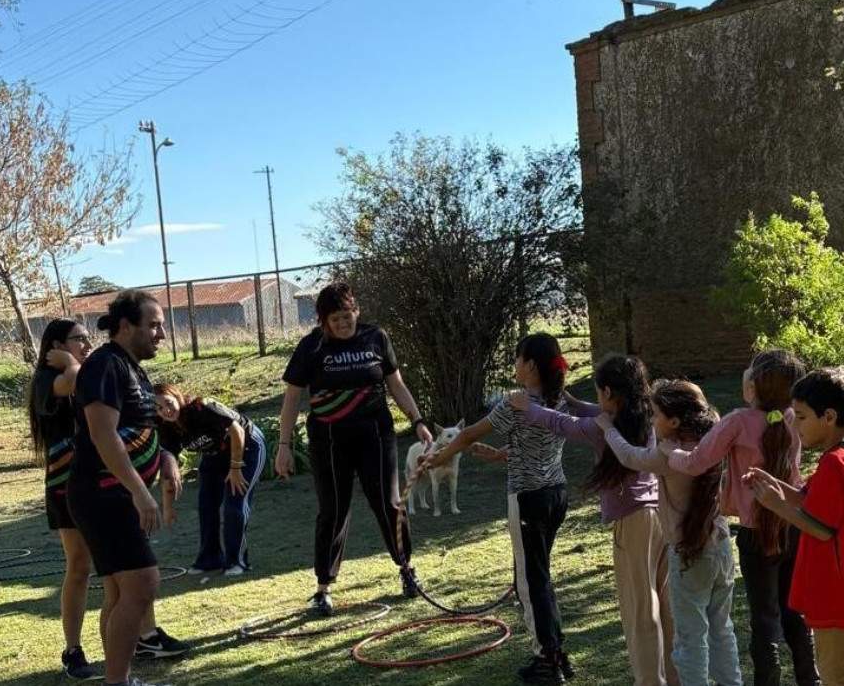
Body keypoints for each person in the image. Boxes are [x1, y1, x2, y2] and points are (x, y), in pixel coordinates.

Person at [29, 319, 185, 680]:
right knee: (80, 567)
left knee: (118, 581)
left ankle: (120, 662)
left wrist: (162, 457)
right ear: (54, 346)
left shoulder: (104, 370)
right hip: (68, 484)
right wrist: (69, 365)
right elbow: (74, 381)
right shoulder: (50, 379)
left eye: (88, 338)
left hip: (105, 485)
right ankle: (73, 648)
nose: (86, 344)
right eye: (77, 339)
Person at [511, 354, 678, 686]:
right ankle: (675, 679)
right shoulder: (645, 417)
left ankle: (650, 681)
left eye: (600, 393)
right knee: (666, 611)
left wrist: (524, 406)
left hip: (633, 524)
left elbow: (563, 425)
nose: (599, 401)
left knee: (640, 614)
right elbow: (592, 414)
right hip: (661, 519)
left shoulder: (606, 429)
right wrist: (573, 400)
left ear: (609, 392)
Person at [661, 349, 818, 686]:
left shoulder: (737, 421)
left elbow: (696, 463)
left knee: (764, 620)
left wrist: (669, 452)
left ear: (751, 389)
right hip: (794, 524)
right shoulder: (794, 417)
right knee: (795, 613)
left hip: (756, 533)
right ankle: (811, 679)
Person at [424, 332, 573, 684]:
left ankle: (546, 661)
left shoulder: (516, 402)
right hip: (556, 494)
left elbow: (468, 434)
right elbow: (541, 445)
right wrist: (502, 455)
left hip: (528, 499)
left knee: (529, 582)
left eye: (518, 359)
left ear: (531, 365)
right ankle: (556, 652)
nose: (515, 365)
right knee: (541, 576)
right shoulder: (559, 398)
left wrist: (438, 457)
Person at [275, 282, 432, 614]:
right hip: (329, 440)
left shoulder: (376, 338)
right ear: (323, 321)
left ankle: (407, 570)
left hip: (375, 435)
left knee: (389, 503)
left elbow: (396, 384)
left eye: (347, 316)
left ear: (356, 312)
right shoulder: (311, 347)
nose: (343, 324)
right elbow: (292, 397)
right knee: (333, 509)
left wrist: (417, 421)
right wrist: (284, 445)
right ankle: (323, 588)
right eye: (335, 319)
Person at [598, 378, 743, 686]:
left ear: (675, 421)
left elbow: (629, 457)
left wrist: (607, 428)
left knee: (690, 640)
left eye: (655, 415)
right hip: (720, 550)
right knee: (722, 631)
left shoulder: (669, 456)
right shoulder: (711, 445)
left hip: (690, 556)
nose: (651, 420)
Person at [744, 367, 844, 686]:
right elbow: (811, 500)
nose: (795, 424)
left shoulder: (835, 463)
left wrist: (775, 505)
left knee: (837, 676)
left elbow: (822, 528)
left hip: (838, 590)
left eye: (802, 416)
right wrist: (777, 486)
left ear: (829, 416)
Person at [154, 383, 267, 576]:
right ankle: (210, 558)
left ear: (177, 395)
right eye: (158, 408)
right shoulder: (167, 428)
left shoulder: (203, 408)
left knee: (234, 502)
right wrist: (168, 508)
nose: (166, 410)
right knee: (206, 505)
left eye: (168, 402)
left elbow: (237, 431)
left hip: (246, 449)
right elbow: (168, 470)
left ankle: (236, 561)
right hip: (214, 455)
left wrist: (235, 468)